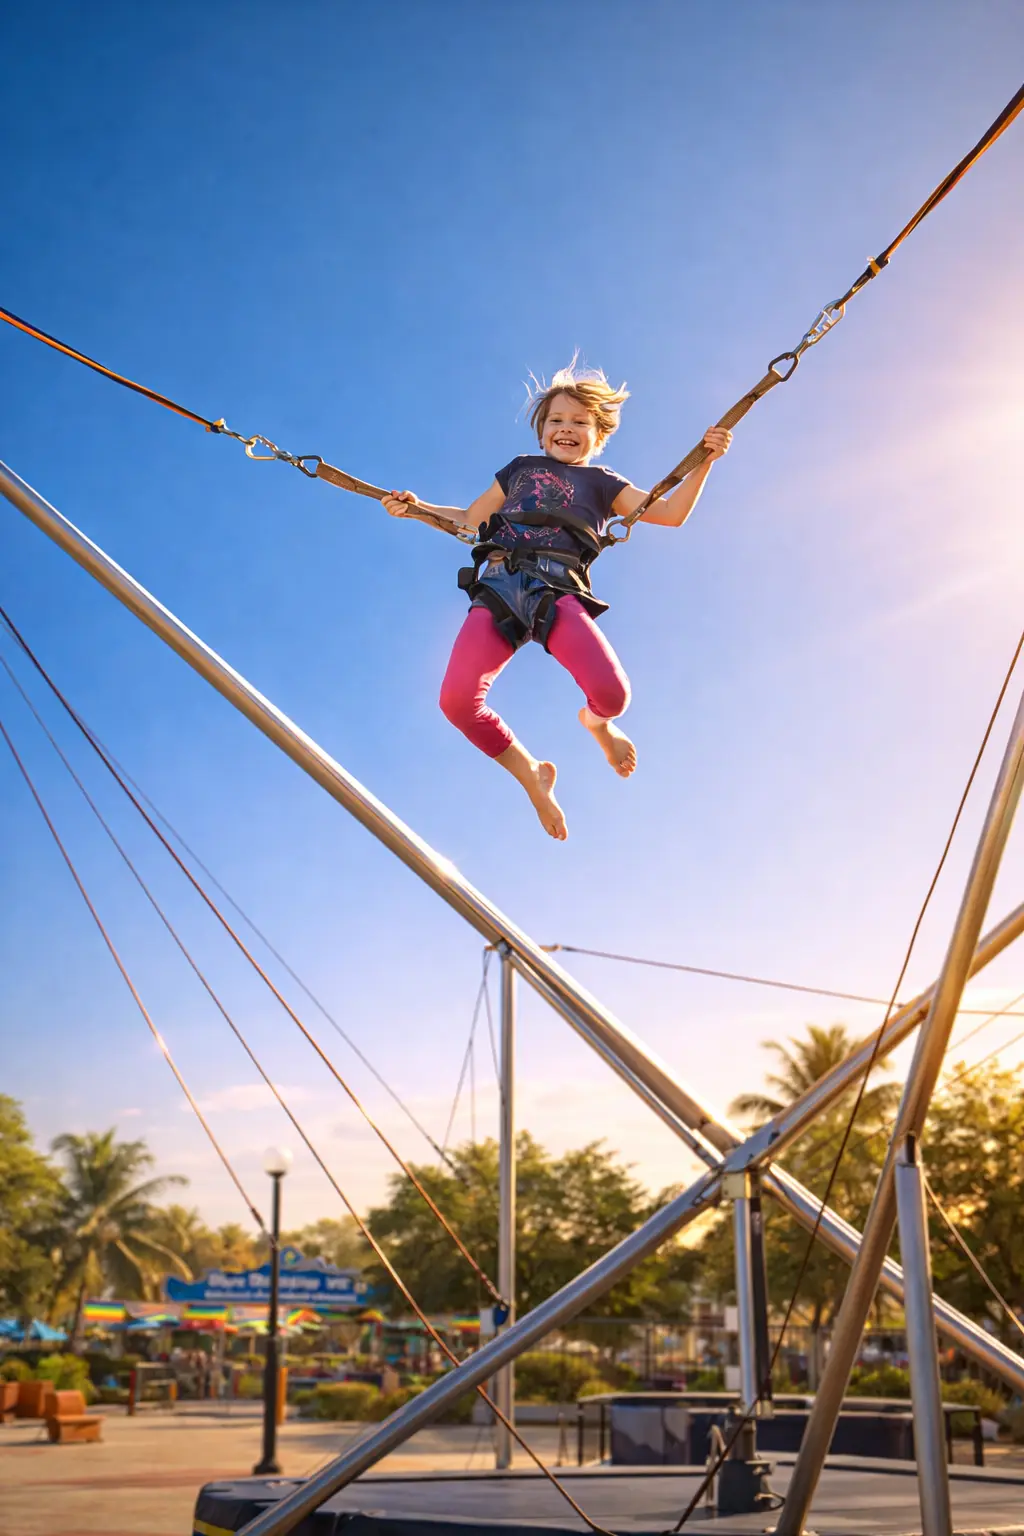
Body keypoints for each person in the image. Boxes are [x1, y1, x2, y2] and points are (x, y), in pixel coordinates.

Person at [383, 364, 732, 839]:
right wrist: (416, 508)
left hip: (557, 590)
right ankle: (532, 774)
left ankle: (596, 725)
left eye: (579, 422)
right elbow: (467, 520)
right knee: (457, 701)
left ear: (598, 435)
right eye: (556, 420)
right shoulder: (520, 470)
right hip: (500, 588)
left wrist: (704, 460)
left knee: (613, 696)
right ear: (541, 430)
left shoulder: (604, 483)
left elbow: (669, 513)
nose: (566, 428)